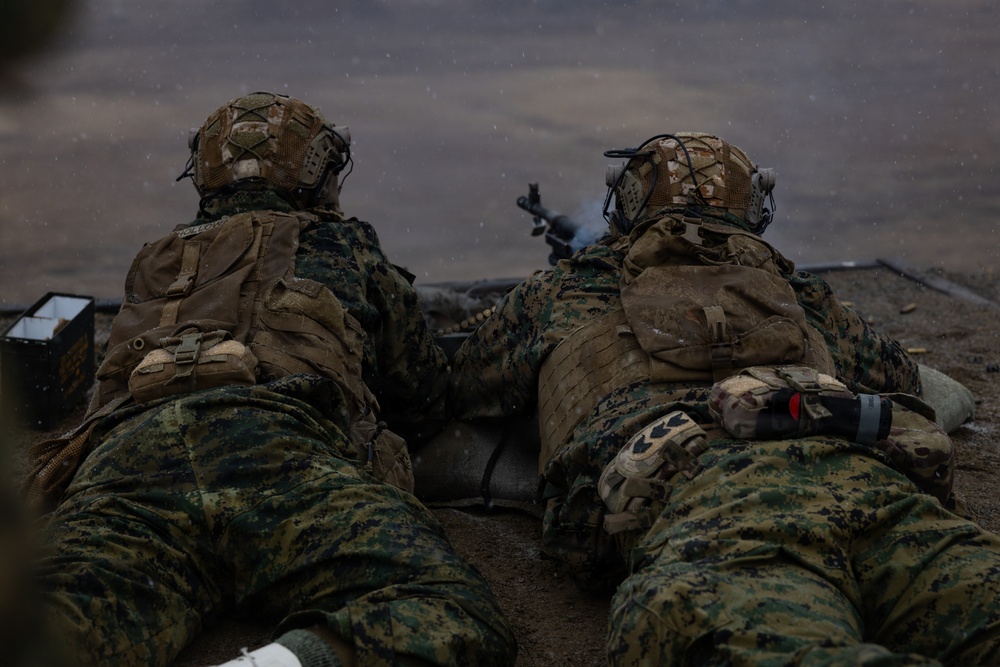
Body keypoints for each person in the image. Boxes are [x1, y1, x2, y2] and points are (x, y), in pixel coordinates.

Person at [449, 132, 1000, 665]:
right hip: (865, 474)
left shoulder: (563, 289)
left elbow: (462, 387)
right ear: (754, 205)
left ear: (628, 199)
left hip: (708, 494)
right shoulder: (795, 290)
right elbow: (900, 372)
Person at [21, 92, 516, 667]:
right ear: (316, 173)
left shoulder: (157, 259)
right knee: (446, 608)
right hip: (279, 450)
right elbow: (425, 398)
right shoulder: (345, 245)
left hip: (130, 460)